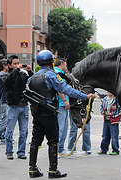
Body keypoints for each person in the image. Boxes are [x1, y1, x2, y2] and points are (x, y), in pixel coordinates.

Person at [28, 50, 96, 178]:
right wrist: (85, 96)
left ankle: (32, 169)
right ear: (51, 61)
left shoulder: (32, 77)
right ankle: (53, 170)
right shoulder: (51, 75)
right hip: (49, 112)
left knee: (35, 141)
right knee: (53, 140)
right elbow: (66, 89)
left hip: (36, 113)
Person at [2, 55, 33, 160]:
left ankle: (21, 152)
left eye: (18, 63)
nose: (16, 65)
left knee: (24, 131)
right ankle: (9, 151)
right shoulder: (6, 75)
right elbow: (7, 82)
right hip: (12, 107)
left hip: (24, 106)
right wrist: (17, 70)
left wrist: (29, 71)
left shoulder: (21, 75)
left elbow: (31, 82)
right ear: (9, 65)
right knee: (9, 131)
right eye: (14, 63)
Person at [53, 59, 70, 156]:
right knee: (60, 128)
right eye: (66, 65)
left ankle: (60, 148)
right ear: (61, 65)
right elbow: (60, 90)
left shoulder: (54, 72)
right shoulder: (58, 74)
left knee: (63, 127)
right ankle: (57, 149)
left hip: (61, 104)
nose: (66, 68)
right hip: (60, 104)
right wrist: (64, 100)